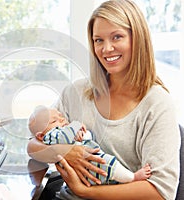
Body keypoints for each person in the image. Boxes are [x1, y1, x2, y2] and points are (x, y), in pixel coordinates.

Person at [27, 0, 181, 199]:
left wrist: (86, 191)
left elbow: (161, 192)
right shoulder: (77, 92)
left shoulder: (157, 104)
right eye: (98, 40)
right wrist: (63, 151)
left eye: (117, 37)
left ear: (138, 39)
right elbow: (33, 145)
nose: (106, 49)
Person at [28, 105, 152, 186]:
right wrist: (75, 125)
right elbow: (63, 136)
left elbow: (86, 138)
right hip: (89, 168)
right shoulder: (51, 135)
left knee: (110, 171)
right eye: (55, 121)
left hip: (89, 172)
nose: (62, 120)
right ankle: (133, 177)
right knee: (110, 165)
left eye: (61, 117)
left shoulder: (61, 131)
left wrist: (82, 134)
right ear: (40, 136)